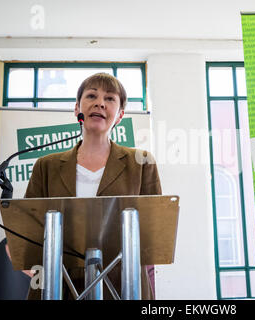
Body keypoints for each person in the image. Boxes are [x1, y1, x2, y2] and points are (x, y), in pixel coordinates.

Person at [24, 73, 161, 300]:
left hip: (123, 286)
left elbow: (154, 233)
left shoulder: (142, 162)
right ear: (77, 108)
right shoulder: (45, 166)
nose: (100, 103)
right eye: (91, 96)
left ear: (120, 115)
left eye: (109, 98)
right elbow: (26, 231)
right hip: (58, 286)